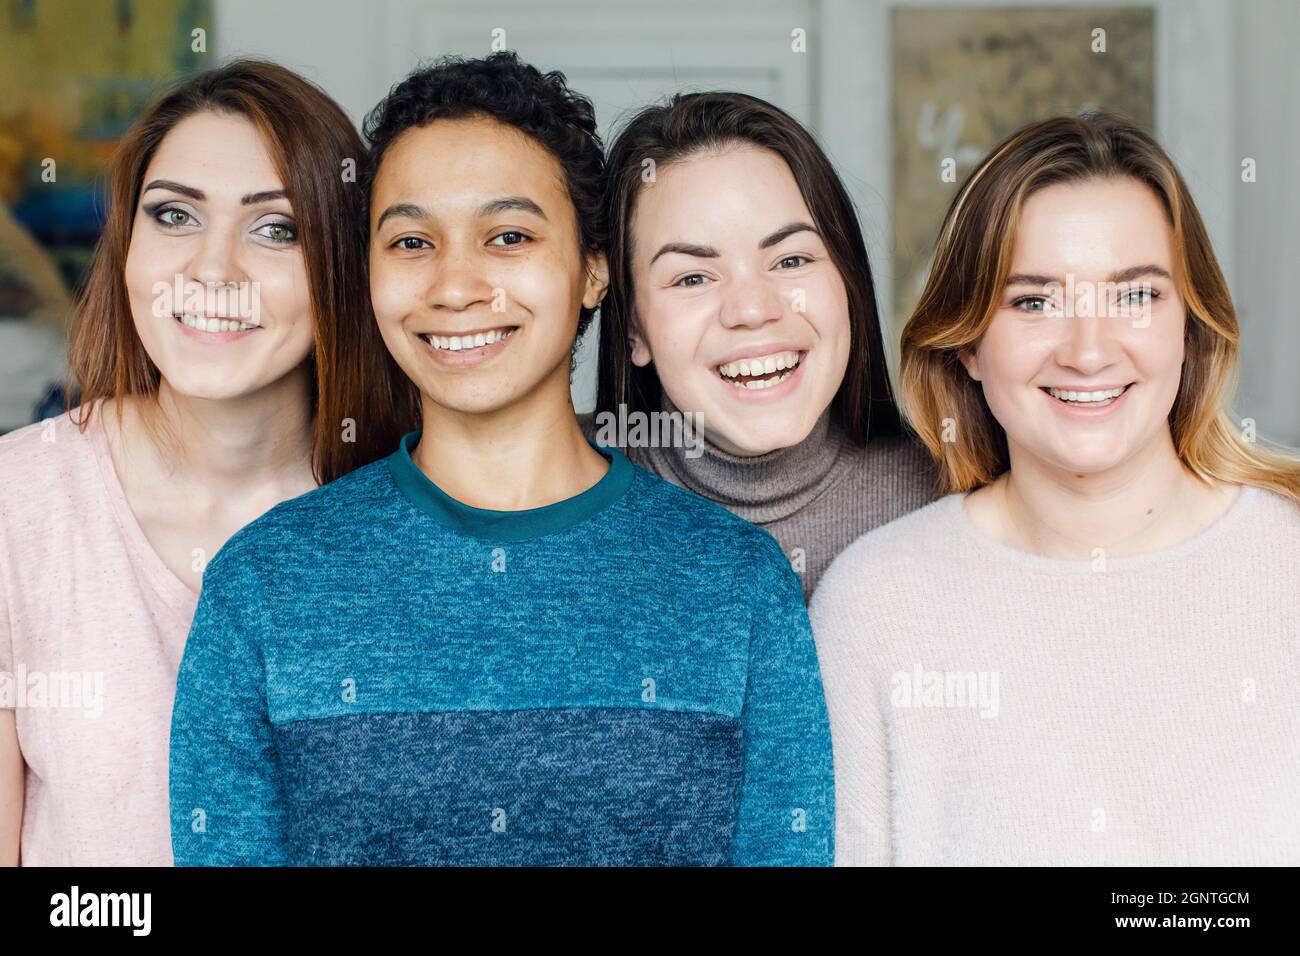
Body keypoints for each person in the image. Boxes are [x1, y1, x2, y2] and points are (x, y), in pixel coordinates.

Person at [169, 52, 833, 867]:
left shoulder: (736, 583)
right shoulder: (263, 583)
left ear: (593, 268)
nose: (455, 285)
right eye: (412, 241)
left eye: (509, 236)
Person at [810, 112, 1300, 865]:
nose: (1088, 350)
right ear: (968, 341)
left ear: (1188, 326)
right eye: (1034, 301)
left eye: (1133, 295)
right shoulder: (876, 604)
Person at [0, 59, 417, 866]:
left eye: (276, 228)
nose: (213, 272)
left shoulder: (416, 515)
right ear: (126, 246)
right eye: (174, 216)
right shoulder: (18, 503)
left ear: (342, 265)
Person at [591, 92, 933, 600]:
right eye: (691, 278)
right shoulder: (553, 499)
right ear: (634, 328)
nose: (752, 310)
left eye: (791, 261)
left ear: (849, 285)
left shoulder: (946, 499)